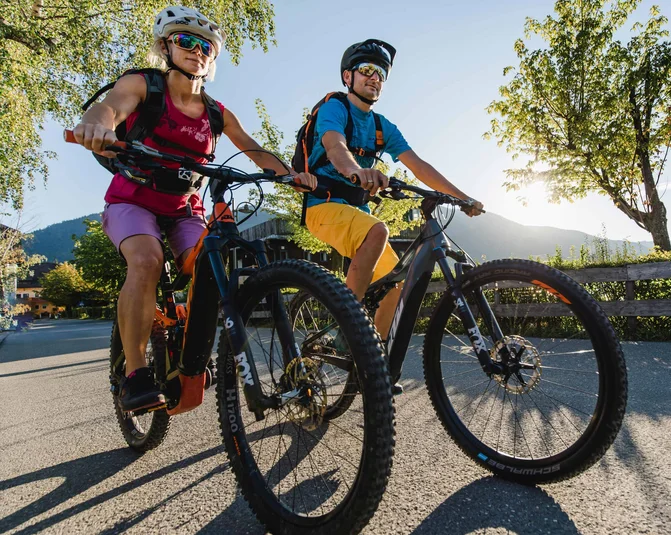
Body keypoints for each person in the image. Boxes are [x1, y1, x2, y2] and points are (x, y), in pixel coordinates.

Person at [71, 6, 315, 412]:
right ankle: (135, 373)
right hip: (132, 200)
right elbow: (110, 108)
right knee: (146, 261)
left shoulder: (217, 113)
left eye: (207, 47)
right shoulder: (143, 85)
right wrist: (97, 125)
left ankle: (191, 351)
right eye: (186, 41)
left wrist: (290, 175)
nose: (197, 51)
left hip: (185, 208)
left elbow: (254, 150)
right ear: (165, 46)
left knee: (209, 267)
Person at [303, 39, 483, 393]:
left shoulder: (383, 126)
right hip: (323, 206)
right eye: (367, 70)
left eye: (381, 74)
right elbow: (335, 146)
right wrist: (356, 171)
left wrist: (463, 197)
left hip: (358, 213)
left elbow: (419, 166)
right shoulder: (335, 107)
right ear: (348, 76)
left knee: (394, 285)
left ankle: (369, 364)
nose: (375, 78)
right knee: (378, 230)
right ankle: (348, 328)